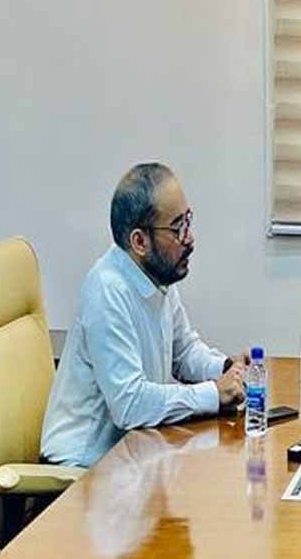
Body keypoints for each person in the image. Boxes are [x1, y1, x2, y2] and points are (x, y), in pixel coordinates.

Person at [41, 162, 247, 467]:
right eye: (177, 228)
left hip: (132, 454)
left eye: (188, 221)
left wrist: (229, 369)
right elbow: (130, 404)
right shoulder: (107, 290)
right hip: (81, 470)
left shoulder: (157, 274)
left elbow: (184, 352)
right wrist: (213, 394)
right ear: (139, 241)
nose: (190, 238)